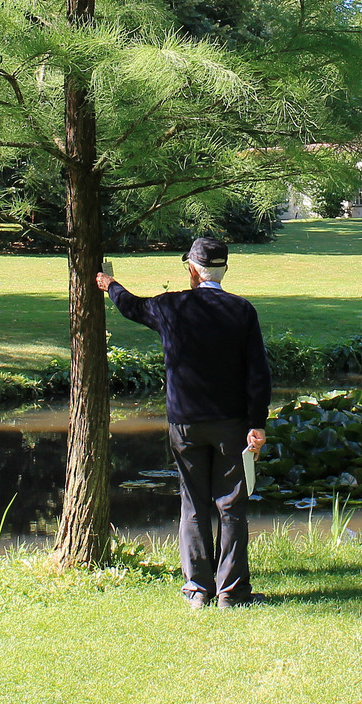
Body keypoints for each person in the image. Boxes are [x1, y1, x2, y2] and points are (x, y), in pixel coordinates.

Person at [95, 237, 271, 610]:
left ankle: (197, 590)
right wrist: (257, 423)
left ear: (192, 269)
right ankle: (233, 593)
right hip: (231, 424)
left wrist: (110, 284)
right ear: (224, 270)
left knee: (193, 503)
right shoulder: (242, 311)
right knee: (231, 506)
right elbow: (259, 375)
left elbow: (131, 307)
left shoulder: (171, 306)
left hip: (185, 423)